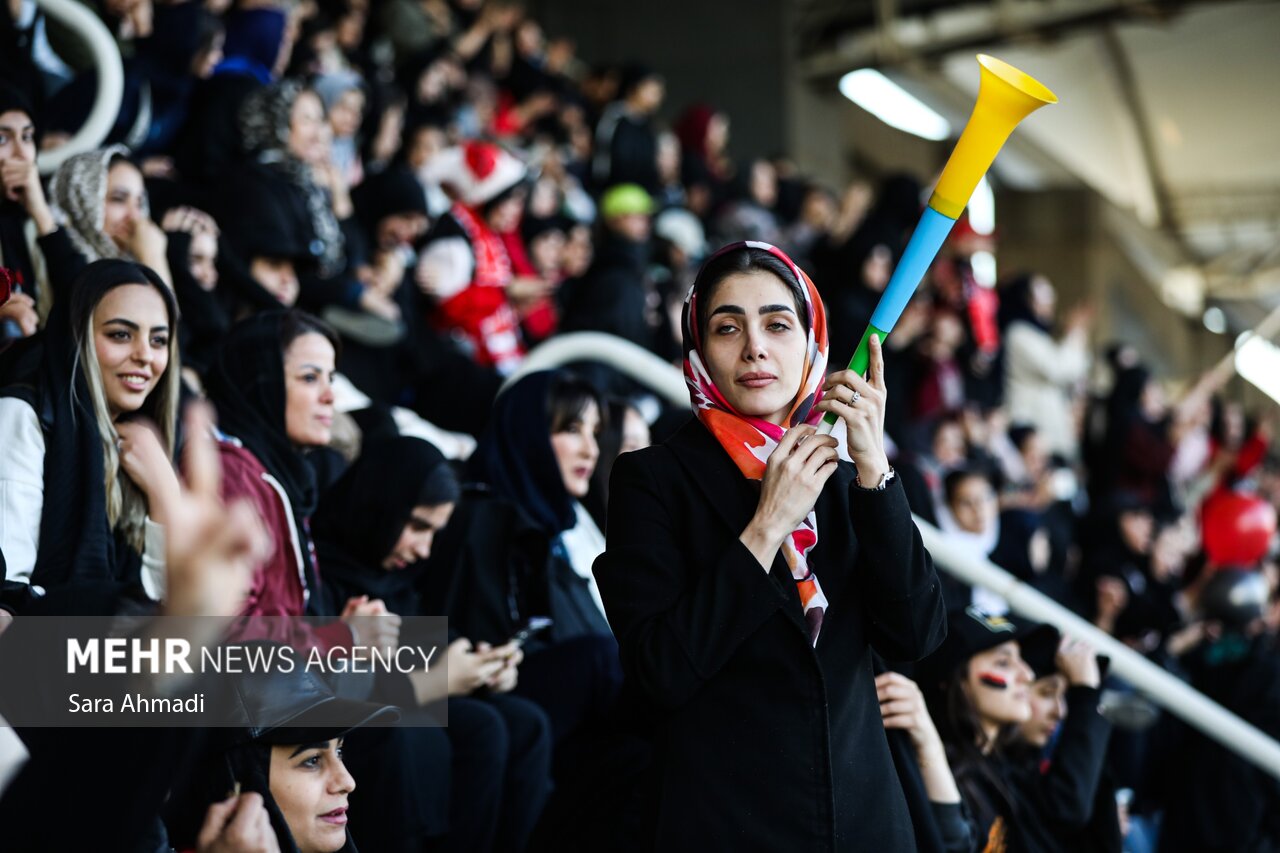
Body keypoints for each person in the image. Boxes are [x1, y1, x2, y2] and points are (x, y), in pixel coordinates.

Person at [592, 241, 947, 850]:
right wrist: (765, 528)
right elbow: (659, 672)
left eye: (778, 324)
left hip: (864, 823)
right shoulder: (652, 479)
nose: (755, 346)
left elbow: (915, 635)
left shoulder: (846, 472)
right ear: (699, 348)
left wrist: (874, 473)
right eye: (727, 327)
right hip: (727, 822)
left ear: (810, 340)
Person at [311, 434, 553, 852]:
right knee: (475, 729)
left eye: (434, 533)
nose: (424, 549)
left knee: (525, 722)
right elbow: (327, 688)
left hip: (399, 699)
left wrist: (486, 665)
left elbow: (426, 635)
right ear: (380, 503)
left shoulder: (391, 576)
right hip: (353, 719)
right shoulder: (319, 569)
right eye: (417, 526)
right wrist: (436, 681)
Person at [0, 259, 182, 612]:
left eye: (159, 340)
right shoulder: (20, 416)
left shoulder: (140, 446)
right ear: (76, 336)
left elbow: (171, 608)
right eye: (120, 334)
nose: (145, 355)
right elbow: (7, 592)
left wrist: (165, 495)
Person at [919, 607, 1061, 851]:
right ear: (959, 682)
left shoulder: (1004, 767)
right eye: (1004, 662)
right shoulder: (936, 769)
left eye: (1022, 660)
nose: (1027, 674)